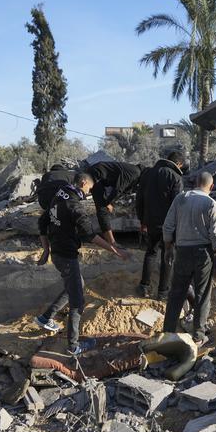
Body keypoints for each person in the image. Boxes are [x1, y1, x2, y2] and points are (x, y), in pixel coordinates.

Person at [34, 173, 129, 355]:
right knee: (78, 302)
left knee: (76, 286)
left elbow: (43, 221)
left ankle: (46, 318)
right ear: (84, 183)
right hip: (67, 256)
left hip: (57, 252)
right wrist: (115, 250)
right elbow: (89, 235)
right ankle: (73, 346)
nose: (90, 193)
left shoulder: (60, 194)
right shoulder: (75, 207)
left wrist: (46, 249)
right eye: (90, 189)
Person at [161, 172, 216, 346]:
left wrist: (169, 249)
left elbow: (167, 227)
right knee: (202, 294)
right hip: (203, 253)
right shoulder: (210, 203)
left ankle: (167, 333)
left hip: (182, 251)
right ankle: (198, 335)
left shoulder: (180, 199)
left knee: (176, 293)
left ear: (196, 183)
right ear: (211, 187)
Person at [136, 151, 185, 300]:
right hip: (168, 225)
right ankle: (163, 292)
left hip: (150, 222)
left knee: (151, 252)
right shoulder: (175, 177)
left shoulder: (148, 173)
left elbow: (139, 198)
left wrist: (142, 221)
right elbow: (178, 205)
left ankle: (144, 287)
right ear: (179, 164)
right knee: (168, 255)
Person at [85, 161, 143, 245]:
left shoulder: (136, 173)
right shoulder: (135, 173)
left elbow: (125, 191)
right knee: (102, 209)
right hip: (96, 174)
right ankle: (112, 242)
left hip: (101, 177)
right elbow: (118, 189)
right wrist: (108, 203)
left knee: (103, 207)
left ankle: (109, 238)